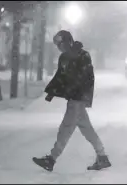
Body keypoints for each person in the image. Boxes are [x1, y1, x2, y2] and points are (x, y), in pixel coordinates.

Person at [33, 30, 111, 172]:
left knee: (65, 129)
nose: (59, 48)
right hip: (75, 99)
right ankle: (102, 157)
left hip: (78, 99)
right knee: (87, 130)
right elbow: (60, 76)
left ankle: (51, 160)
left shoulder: (83, 56)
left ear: (68, 42)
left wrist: (81, 94)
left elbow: (87, 77)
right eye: (57, 45)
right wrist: (51, 91)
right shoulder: (64, 57)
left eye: (60, 44)